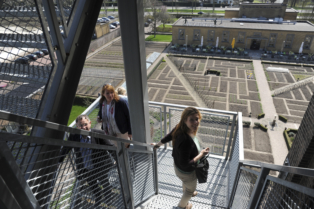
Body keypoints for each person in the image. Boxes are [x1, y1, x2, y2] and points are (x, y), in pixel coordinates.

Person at [152, 107, 210, 209]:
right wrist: (201, 154)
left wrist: (157, 145)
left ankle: (188, 189)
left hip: (178, 168)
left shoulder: (180, 128)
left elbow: (168, 136)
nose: (195, 122)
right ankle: (182, 206)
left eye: (197, 119)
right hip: (186, 172)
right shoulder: (186, 140)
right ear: (185, 120)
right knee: (190, 190)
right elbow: (186, 164)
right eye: (191, 119)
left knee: (186, 184)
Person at [59, 115, 115, 208]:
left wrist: (118, 159)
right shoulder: (74, 136)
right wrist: (58, 161)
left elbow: (111, 147)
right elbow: (66, 148)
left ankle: (108, 200)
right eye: (81, 125)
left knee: (104, 182)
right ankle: (98, 199)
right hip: (86, 168)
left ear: (90, 123)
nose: (83, 127)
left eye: (85, 124)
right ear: (77, 126)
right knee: (93, 186)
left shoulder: (99, 133)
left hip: (100, 166)